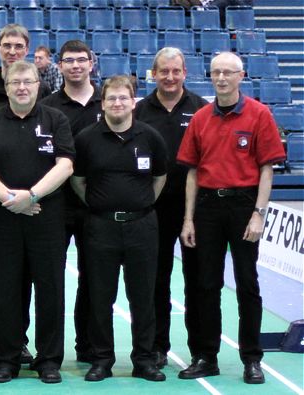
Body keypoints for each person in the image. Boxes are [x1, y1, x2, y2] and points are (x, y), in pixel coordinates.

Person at [177, 52, 286, 385]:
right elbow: (192, 172)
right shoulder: (199, 118)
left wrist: (258, 213)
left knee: (247, 285)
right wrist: (188, 219)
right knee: (206, 285)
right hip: (208, 206)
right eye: (215, 73)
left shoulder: (259, 114)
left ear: (241, 76)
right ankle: (206, 356)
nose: (221, 78)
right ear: (210, 77)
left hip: (243, 206)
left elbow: (267, 169)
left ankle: (252, 359)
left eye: (228, 72)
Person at [0, 60, 74, 384]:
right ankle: (7, 358)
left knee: (50, 290)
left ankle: (48, 361)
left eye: (27, 82)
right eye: (15, 82)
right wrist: (9, 199)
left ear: (37, 84)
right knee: (4, 290)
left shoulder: (55, 118)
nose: (21, 87)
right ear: (6, 87)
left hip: (46, 219)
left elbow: (66, 165)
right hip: (3, 221)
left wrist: (30, 196)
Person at [70, 75, 169, 383]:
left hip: (142, 226)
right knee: (100, 296)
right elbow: (78, 180)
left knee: (143, 296)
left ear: (133, 102)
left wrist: (140, 204)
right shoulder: (86, 138)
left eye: (123, 98)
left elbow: (160, 177)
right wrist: (101, 205)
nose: (117, 103)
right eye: (111, 98)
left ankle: (144, 359)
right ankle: (102, 359)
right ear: (103, 103)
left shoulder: (150, 137)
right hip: (101, 226)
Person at [133, 47, 210, 370]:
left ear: (185, 73)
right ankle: (156, 347)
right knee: (156, 280)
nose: (169, 77)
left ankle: (202, 351)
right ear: (153, 74)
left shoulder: (202, 110)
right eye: (163, 71)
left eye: (175, 71)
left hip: (196, 209)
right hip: (154, 208)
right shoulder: (140, 111)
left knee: (199, 281)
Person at [38, 39, 103, 363]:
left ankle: (87, 346)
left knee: (94, 279)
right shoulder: (48, 106)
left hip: (96, 206)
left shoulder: (110, 103)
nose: (75, 65)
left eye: (81, 60)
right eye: (69, 60)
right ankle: (49, 352)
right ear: (59, 66)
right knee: (50, 280)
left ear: (91, 63)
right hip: (56, 206)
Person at [0, 24, 53, 105]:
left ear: (26, 50)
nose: (12, 52)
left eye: (18, 46)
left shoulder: (42, 90)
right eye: (7, 46)